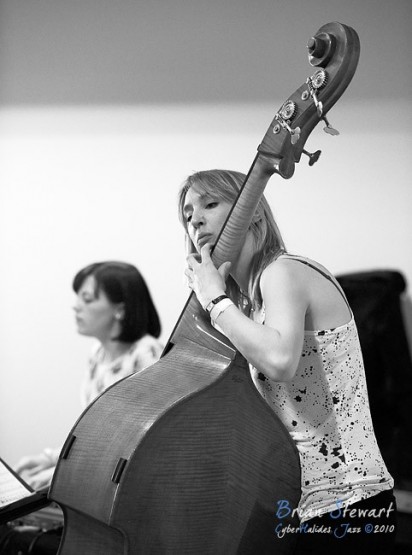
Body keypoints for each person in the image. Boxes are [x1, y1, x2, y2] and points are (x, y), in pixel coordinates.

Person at [180, 169, 396, 553]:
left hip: (350, 503)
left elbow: (280, 362)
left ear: (254, 212)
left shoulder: (283, 271)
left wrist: (214, 300)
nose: (195, 220)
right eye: (187, 214)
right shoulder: (249, 305)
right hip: (302, 504)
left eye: (210, 204)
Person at [15, 261, 163, 490]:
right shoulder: (97, 353)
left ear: (120, 309)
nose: (76, 307)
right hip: (99, 479)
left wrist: (62, 473)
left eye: (87, 299)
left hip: (129, 486)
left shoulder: (146, 353)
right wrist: (50, 458)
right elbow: (93, 436)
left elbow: (138, 443)